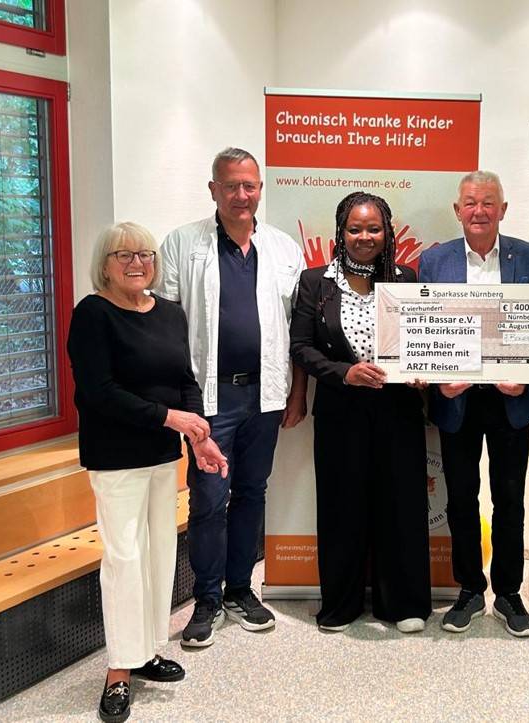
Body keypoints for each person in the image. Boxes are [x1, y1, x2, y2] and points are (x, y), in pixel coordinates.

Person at [68, 222, 229, 722]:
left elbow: (186, 381)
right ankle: (118, 670)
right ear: (105, 264)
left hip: (162, 457)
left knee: (159, 555)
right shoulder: (92, 313)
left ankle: (147, 652)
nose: (137, 263)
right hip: (115, 458)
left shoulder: (169, 313)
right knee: (124, 559)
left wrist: (198, 436)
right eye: (124, 255)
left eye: (145, 254)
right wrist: (170, 419)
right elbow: (99, 392)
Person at [157, 148, 306, 649]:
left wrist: (296, 392)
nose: (242, 195)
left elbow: (297, 330)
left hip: (265, 394)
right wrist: (182, 404)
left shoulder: (283, 248)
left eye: (250, 186)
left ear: (260, 188)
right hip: (209, 398)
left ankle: (241, 588)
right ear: (213, 190)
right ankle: (206, 599)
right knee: (208, 499)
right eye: (231, 186)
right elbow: (167, 326)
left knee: (252, 493)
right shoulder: (182, 244)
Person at [289, 192, 432, 633]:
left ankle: (403, 604)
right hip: (341, 410)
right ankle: (340, 605)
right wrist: (344, 373)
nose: (364, 237)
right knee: (341, 506)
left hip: (398, 411)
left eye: (373, 228)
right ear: (341, 232)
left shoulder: (406, 279)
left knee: (401, 505)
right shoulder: (316, 282)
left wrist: (422, 370)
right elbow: (301, 347)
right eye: (355, 229)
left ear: (387, 232)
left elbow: (424, 339)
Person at [416, 171, 529, 637]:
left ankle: (509, 593)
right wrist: (439, 382)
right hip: (457, 400)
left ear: (503, 210)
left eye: (488, 202)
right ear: (458, 210)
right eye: (470, 202)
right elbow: (425, 329)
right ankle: (470, 589)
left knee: (510, 499)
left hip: (511, 400)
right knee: (460, 498)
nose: (479, 211)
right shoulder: (434, 261)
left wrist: (526, 382)